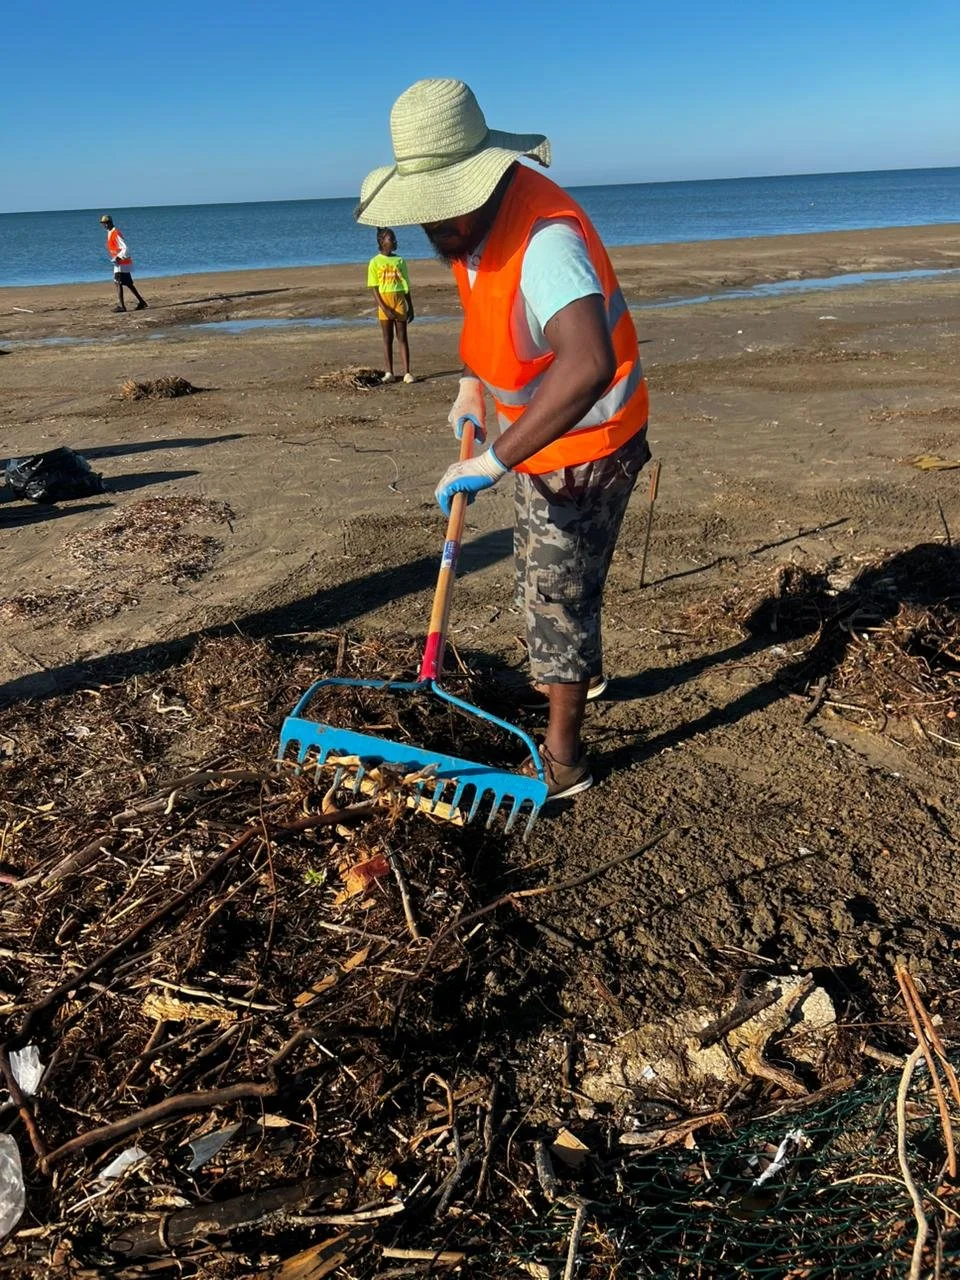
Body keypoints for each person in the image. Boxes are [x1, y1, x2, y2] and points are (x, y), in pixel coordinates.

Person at [356, 79, 650, 800]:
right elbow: (494, 320)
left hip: (588, 445)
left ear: (481, 179)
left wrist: (491, 459)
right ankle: (572, 675)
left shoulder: (546, 239)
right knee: (547, 575)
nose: (432, 228)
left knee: (556, 595)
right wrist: (471, 386)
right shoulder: (471, 227)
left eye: (439, 208)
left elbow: (587, 363)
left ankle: (565, 760)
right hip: (538, 440)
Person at [367, 227, 415, 382]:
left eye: (394, 239)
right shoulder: (374, 262)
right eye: (391, 239)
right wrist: (384, 308)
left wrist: (410, 306)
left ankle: (407, 372)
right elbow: (374, 288)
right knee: (387, 338)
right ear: (382, 242)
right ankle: (389, 373)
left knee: (402, 337)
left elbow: (405, 285)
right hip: (384, 302)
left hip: (399, 300)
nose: (394, 242)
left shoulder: (400, 260)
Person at [99, 215, 147, 313]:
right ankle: (141, 302)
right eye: (104, 223)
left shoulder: (115, 233)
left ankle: (122, 306)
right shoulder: (110, 233)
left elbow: (125, 248)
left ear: (110, 222)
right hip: (121, 262)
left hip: (121, 262)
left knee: (118, 282)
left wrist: (118, 257)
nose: (105, 225)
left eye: (106, 223)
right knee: (128, 283)